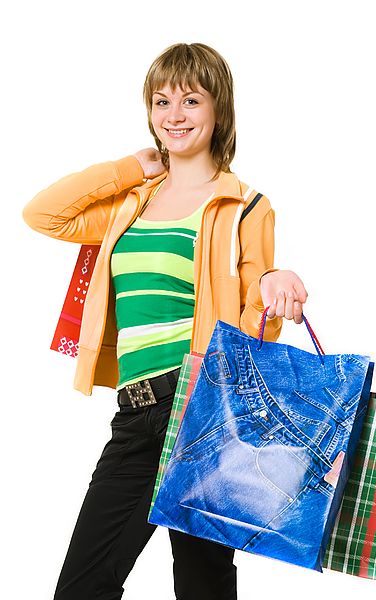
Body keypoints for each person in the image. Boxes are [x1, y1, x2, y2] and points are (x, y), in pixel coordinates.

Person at [22, 42, 308, 600]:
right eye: (161, 101)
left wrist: (274, 281)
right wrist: (131, 167)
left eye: (191, 100)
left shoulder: (244, 205)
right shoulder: (131, 201)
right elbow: (44, 214)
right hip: (136, 413)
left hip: (201, 410)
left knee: (202, 589)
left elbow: (257, 321)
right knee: (82, 587)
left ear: (218, 109)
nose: (174, 115)